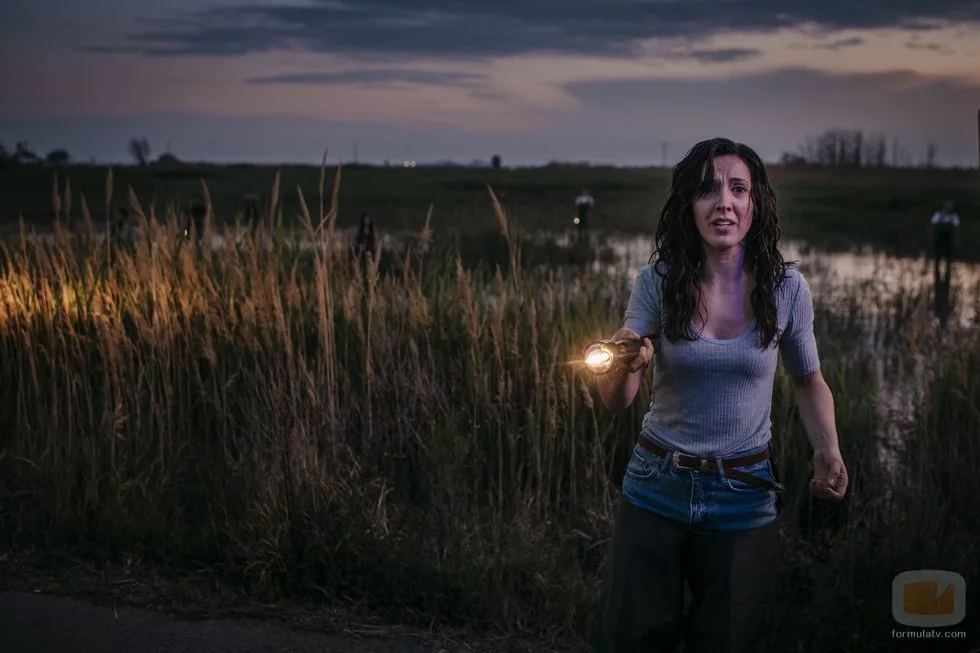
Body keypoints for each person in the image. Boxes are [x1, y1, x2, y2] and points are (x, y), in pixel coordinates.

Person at [593, 138, 848, 653]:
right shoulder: (658, 281)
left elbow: (807, 380)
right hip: (655, 486)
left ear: (756, 203)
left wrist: (828, 448)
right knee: (630, 640)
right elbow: (616, 398)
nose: (723, 203)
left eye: (738, 189)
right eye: (708, 189)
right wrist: (625, 360)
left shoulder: (787, 288)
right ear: (689, 203)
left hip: (745, 494)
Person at [931, 200, 959, 281]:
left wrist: (955, 240)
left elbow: (956, 228)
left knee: (948, 259)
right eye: (948, 206)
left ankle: (947, 276)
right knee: (937, 258)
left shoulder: (954, 216)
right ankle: (937, 275)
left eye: (950, 206)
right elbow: (933, 226)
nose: (949, 208)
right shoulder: (937, 214)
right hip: (939, 239)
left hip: (949, 240)